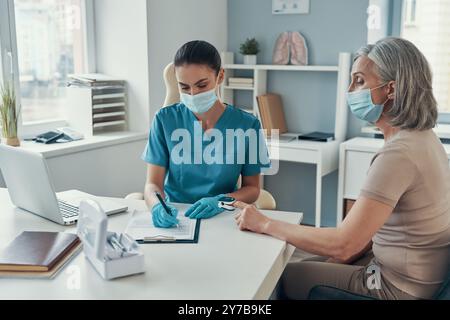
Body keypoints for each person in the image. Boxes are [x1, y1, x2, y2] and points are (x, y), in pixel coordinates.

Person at [232, 37, 450, 300]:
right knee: (312, 264)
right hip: (413, 273)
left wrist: (265, 222)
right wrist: (334, 258)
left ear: (390, 89)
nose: (349, 90)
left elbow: (345, 244)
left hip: (397, 286)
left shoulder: (399, 155)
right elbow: (361, 238)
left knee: (284, 277)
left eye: (359, 81)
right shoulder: (424, 138)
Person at [142, 40, 270, 228]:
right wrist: (156, 207)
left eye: (201, 85)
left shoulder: (247, 125)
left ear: (220, 76)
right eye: (184, 87)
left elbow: (252, 189)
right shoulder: (164, 120)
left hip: (223, 215)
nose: (193, 94)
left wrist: (221, 201)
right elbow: (152, 184)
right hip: (177, 216)